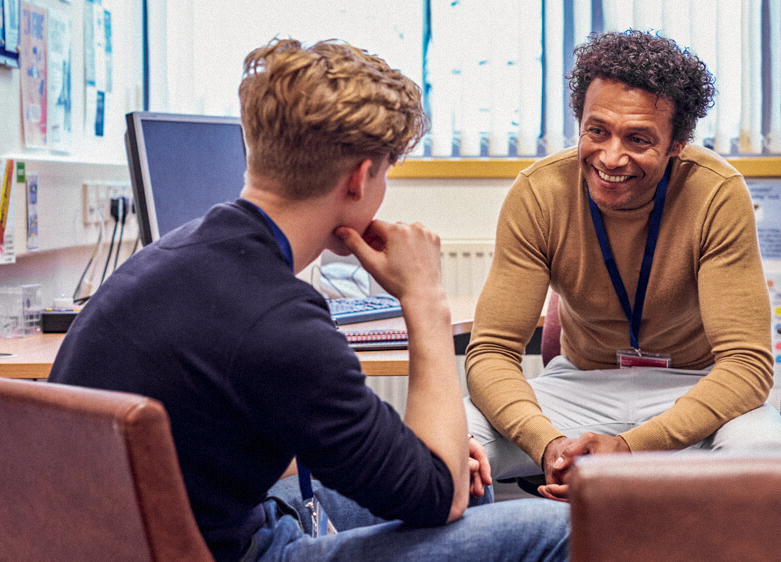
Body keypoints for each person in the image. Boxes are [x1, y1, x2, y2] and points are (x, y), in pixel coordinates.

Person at [49, 38, 569, 561]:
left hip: (147, 536)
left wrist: (426, 461)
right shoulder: (280, 321)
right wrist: (425, 300)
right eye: (385, 174)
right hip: (237, 551)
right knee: (562, 526)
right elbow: (441, 496)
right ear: (361, 177)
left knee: (469, 479)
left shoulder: (170, 256)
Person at [464, 29, 781, 502]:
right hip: (579, 388)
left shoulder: (717, 194)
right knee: (446, 443)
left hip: (694, 388)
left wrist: (630, 448)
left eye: (638, 139)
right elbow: (491, 353)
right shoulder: (539, 194)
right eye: (597, 131)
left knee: (763, 458)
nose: (611, 156)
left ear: (677, 143)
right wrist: (550, 445)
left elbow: (745, 366)